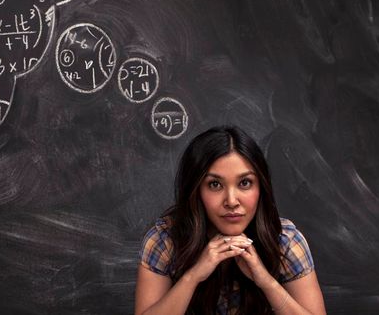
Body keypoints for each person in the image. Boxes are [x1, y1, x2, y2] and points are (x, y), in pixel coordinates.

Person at [135, 126, 327, 315]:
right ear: (196, 191)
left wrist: (266, 282)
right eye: (215, 184)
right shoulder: (165, 240)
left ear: (261, 187)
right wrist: (193, 277)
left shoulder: (285, 240)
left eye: (245, 183)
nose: (232, 201)